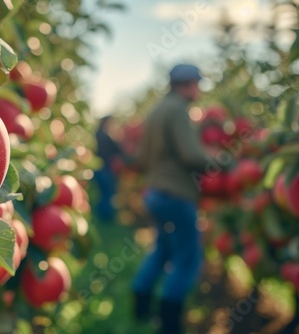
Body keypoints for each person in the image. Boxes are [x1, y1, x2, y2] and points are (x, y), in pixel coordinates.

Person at [131, 64, 210, 334]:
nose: (198, 89)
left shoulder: (155, 111)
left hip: (154, 192)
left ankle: (140, 306)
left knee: (162, 250)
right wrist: (222, 160)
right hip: (176, 193)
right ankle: (170, 322)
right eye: (196, 83)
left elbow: (142, 158)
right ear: (186, 84)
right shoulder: (177, 110)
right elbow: (191, 155)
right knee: (188, 258)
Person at [93, 115, 125, 222]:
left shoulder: (97, 135)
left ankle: (102, 214)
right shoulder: (106, 136)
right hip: (105, 168)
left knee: (103, 192)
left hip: (98, 168)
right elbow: (117, 149)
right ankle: (106, 216)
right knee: (108, 193)